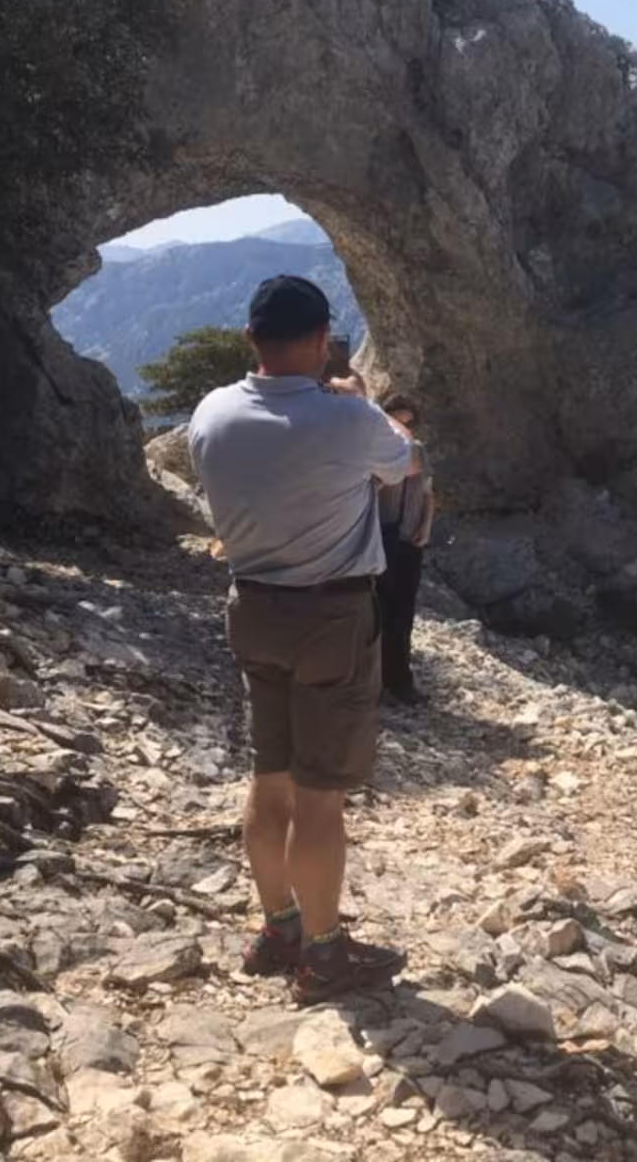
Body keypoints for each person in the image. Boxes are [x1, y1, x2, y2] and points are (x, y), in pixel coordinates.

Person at [188, 275, 424, 1005]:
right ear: (324, 343)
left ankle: (278, 926)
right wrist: (355, 402)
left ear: (248, 339)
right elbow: (407, 460)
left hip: (252, 610)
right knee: (322, 798)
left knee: (270, 778)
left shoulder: (211, 412)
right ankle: (324, 955)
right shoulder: (346, 420)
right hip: (332, 617)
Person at [374, 394, 434, 705]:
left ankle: (399, 681)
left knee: (403, 613)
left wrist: (425, 528)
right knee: (376, 611)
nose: (405, 429)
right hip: (380, 537)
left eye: (409, 422)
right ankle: (372, 682)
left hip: (410, 540)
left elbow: (428, 493)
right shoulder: (376, 450)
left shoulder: (420, 451)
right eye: (398, 421)